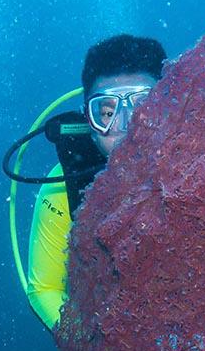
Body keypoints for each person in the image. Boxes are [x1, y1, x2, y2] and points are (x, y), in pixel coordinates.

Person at [25, 34, 167, 330]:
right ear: (89, 121)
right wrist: (91, 343)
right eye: (107, 112)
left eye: (144, 107)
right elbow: (45, 289)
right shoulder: (63, 186)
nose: (127, 126)